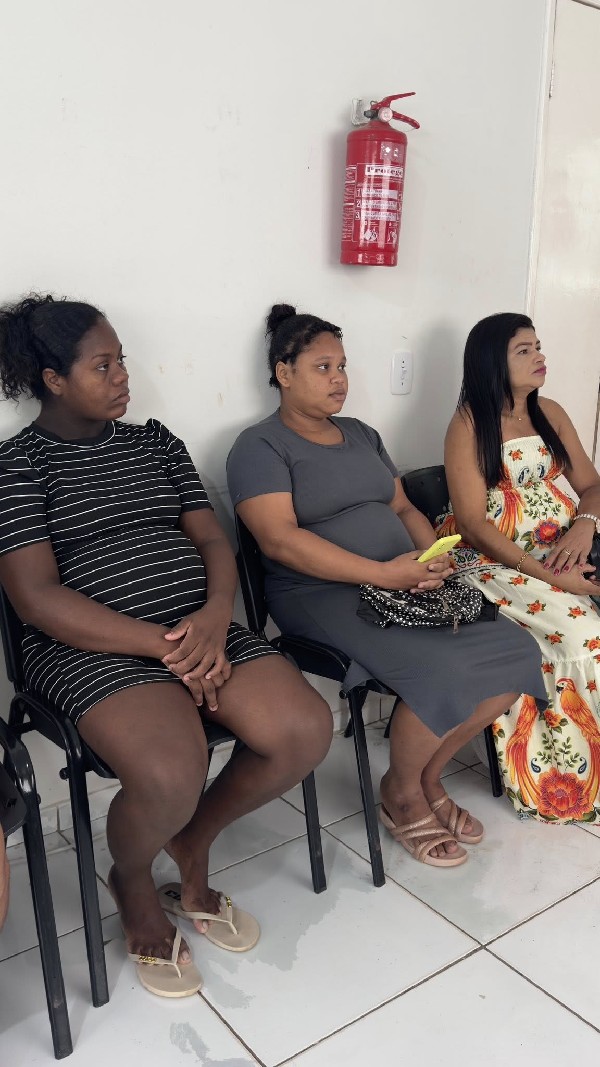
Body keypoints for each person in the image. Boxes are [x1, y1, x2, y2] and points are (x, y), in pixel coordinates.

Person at [0, 294, 332, 997]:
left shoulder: (155, 442)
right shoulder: (18, 466)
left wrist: (213, 616)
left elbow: (211, 539)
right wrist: (166, 646)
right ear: (54, 379)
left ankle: (190, 840)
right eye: (103, 365)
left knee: (305, 728)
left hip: (196, 626)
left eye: (121, 360)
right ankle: (132, 878)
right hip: (86, 648)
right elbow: (37, 598)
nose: (124, 375)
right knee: (171, 769)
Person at [227, 303, 547, 869]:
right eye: (323, 368)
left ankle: (423, 778)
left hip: (403, 581)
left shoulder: (361, 434)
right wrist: (383, 573)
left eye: (343, 366)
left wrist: (431, 560)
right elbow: (278, 541)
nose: (339, 379)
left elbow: (402, 507)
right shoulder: (260, 447)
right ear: (283, 373)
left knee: (515, 651)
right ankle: (402, 795)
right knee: (442, 668)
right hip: (320, 596)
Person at [442, 312, 600, 823]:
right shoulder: (469, 425)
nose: (540, 357)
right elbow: (471, 525)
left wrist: (584, 527)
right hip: (497, 560)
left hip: (565, 546)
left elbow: (592, 485)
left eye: (538, 346)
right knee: (584, 634)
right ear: (493, 361)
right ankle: (572, 778)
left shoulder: (549, 412)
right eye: (524, 350)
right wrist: (550, 575)